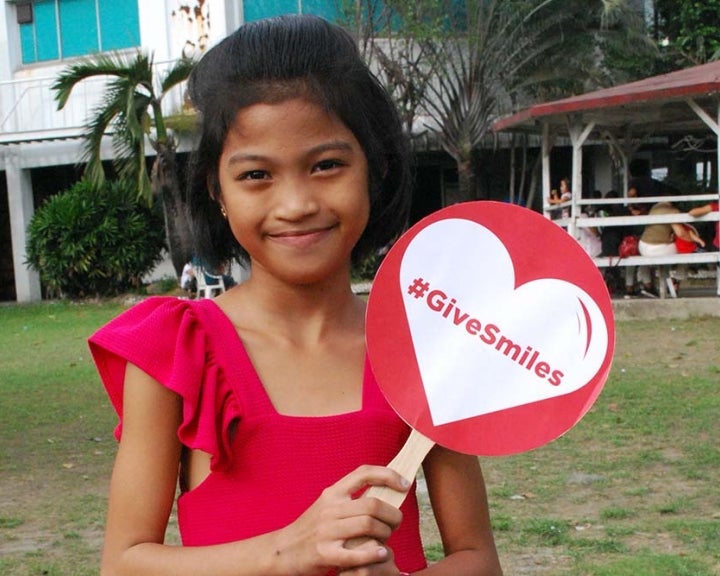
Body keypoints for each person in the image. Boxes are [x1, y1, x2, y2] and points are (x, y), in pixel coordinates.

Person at [88, 15, 502, 576]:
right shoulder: (176, 350)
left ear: (374, 167)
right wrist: (286, 551)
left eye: (326, 165)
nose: (296, 204)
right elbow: (124, 563)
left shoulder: (427, 350)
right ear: (217, 188)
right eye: (257, 175)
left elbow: (477, 559)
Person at [638, 202, 704, 294]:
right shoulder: (673, 211)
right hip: (658, 249)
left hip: (642, 246)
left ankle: (647, 284)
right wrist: (693, 243)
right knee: (686, 251)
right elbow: (681, 233)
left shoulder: (655, 208)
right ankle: (676, 280)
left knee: (644, 260)